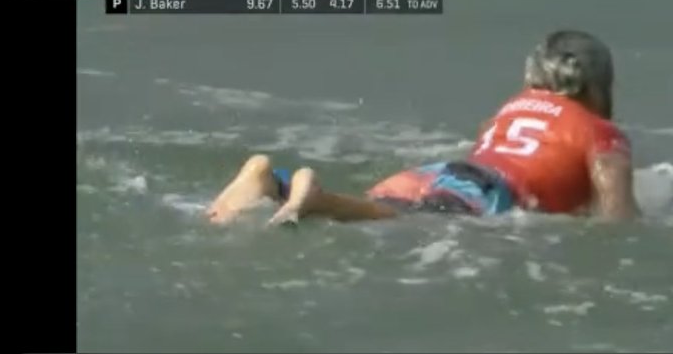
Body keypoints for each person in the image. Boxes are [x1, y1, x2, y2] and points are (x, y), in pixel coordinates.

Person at [205, 29, 640, 226]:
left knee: (377, 213)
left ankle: (274, 184)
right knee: (398, 223)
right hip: (486, 191)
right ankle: (314, 196)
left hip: (440, 174)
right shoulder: (601, 132)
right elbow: (616, 219)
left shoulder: (508, 110)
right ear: (598, 86)